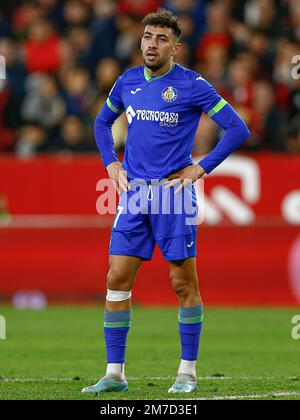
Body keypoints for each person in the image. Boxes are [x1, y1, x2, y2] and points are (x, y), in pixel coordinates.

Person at [82, 9, 250, 395]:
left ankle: (187, 373)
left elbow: (237, 128)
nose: (151, 45)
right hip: (135, 194)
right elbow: (101, 123)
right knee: (115, 279)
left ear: (176, 46)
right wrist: (111, 163)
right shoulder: (127, 82)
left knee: (181, 282)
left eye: (161, 39)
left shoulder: (192, 85)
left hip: (174, 195)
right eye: (147, 37)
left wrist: (200, 169)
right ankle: (114, 374)